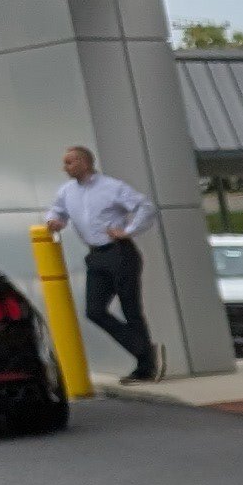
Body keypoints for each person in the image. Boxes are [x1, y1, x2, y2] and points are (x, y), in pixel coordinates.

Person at [43, 146, 160, 383]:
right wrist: (54, 221)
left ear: (85, 162)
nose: (66, 168)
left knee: (131, 309)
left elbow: (145, 206)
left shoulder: (111, 187)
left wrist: (128, 231)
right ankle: (144, 350)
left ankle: (145, 367)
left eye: (70, 162)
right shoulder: (66, 191)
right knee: (94, 310)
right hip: (96, 255)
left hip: (119, 252)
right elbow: (57, 211)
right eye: (65, 163)